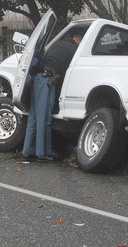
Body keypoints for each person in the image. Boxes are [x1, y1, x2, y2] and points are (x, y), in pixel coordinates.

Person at [22, 26, 86, 162]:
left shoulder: (58, 44)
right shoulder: (75, 50)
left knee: (33, 117)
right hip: (47, 81)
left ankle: (28, 151)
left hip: (37, 79)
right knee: (44, 119)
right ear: (78, 39)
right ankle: (43, 153)